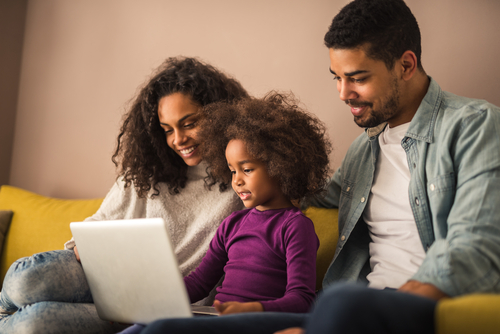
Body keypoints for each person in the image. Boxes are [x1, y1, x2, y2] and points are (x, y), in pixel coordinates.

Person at [139, 0, 500, 333]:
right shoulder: (363, 151)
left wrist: (389, 300)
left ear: (406, 65)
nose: (343, 93)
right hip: (348, 309)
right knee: (161, 329)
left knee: (339, 300)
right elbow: (296, 188)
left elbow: (475, 244)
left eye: (357, 78)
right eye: (336, 78)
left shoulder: (474, 126)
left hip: (411, 306)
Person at [0, 56, 249, 334]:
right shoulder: (146, 171)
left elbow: (287, 202)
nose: (178, 140)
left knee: (33, 323)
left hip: (164, 308)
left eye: (189, 123)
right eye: (167, 130)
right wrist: (88, 244)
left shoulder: (242, 179)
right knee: (24, 278)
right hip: (105, 277)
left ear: (218, 115)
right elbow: (98, 222)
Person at [119, 92, 332, 334]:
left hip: (260, 321)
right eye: (232, 171)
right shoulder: (233, 223)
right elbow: (200, 282)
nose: (237, 181)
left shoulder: (294, 226)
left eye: (247, 169)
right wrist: (160, 297)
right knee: (144, 324)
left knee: (162, 328)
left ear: (281, 166)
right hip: (219, 319)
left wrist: (254, 309)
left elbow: (302, 299)